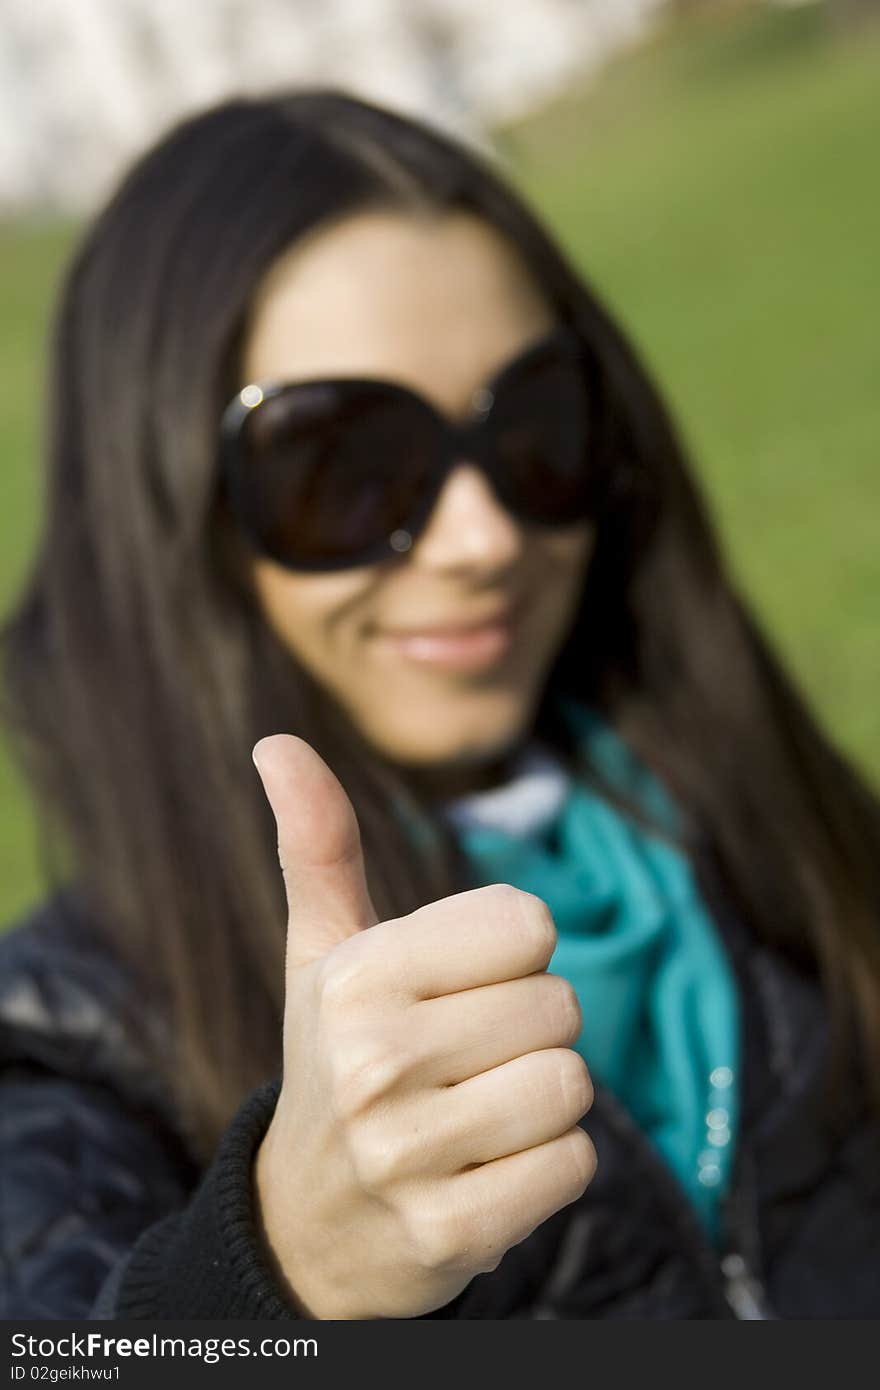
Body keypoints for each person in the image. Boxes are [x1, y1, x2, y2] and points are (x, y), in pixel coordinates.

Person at [1, 89, 879, 1323]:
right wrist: (277, 1271)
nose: (484, 535)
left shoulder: (783, 830)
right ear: (169, 523)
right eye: (346, 468)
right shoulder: (64, 1041)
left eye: (535, 427)